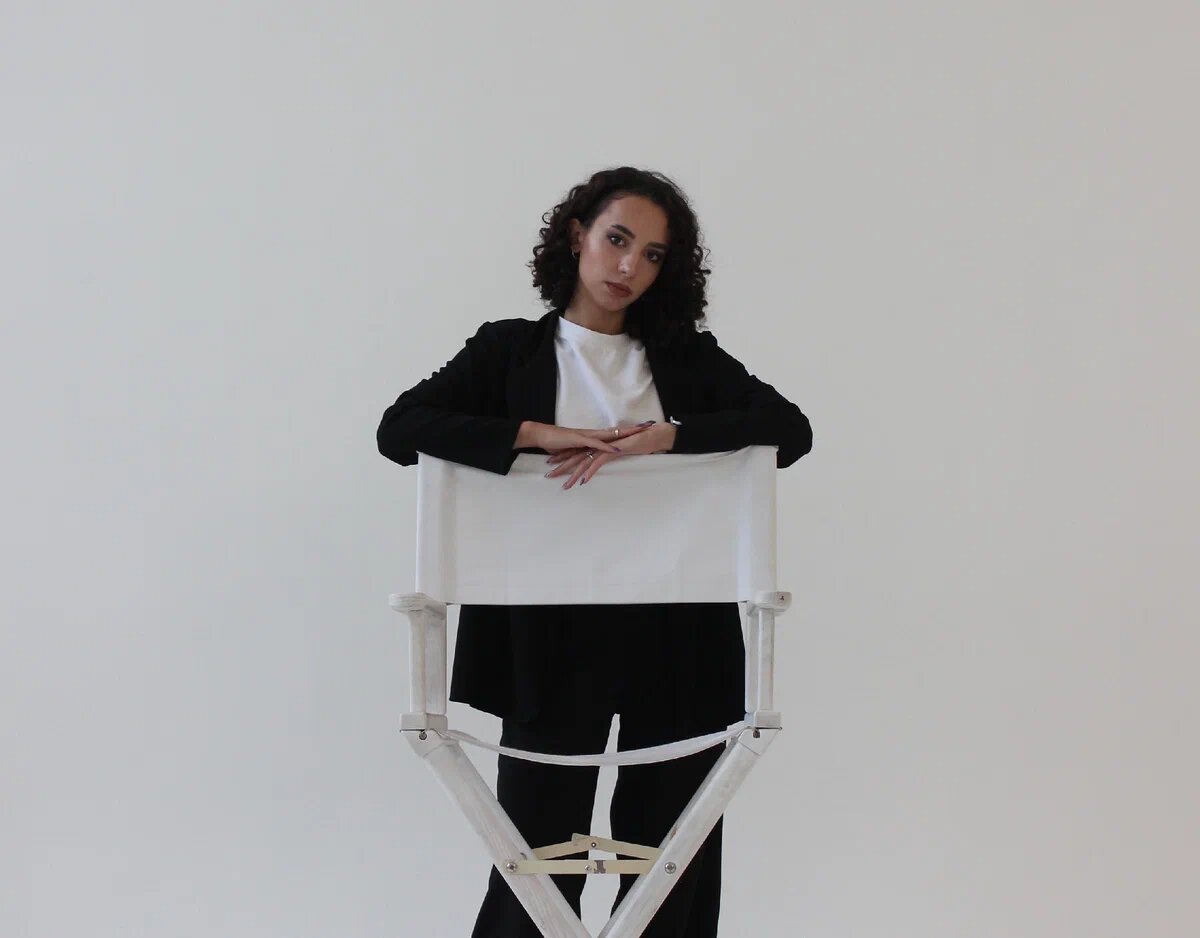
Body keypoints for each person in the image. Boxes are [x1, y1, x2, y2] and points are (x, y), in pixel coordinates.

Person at [377, 166, 812, 938]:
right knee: (534, 864)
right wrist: (535, 435)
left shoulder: (686, 358)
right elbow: (400, 429)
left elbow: (790, 429)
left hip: (679, 631)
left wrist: (668, 437)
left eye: (652, 255)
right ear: (577, 236)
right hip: (545, 634)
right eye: (617, 240)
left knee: (672, 867)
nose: (628, 266)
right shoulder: (508, 350)